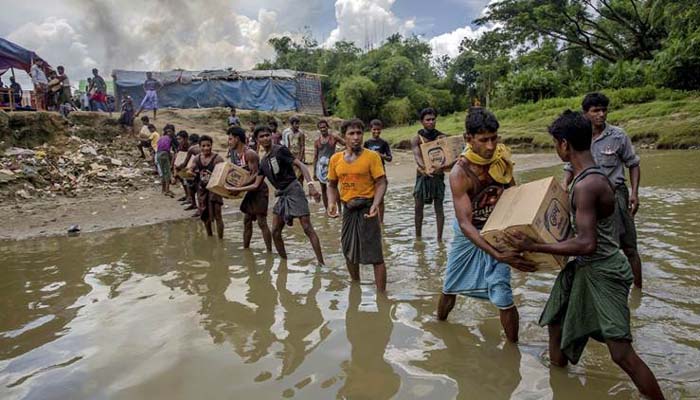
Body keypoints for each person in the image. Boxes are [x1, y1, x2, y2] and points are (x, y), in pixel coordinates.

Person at [507, 110, 664, 400]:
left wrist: (534, 246)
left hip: (603, 270)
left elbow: (586, 243)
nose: (556, 149)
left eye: (556, 143)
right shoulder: (585, 178)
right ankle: (561, 381)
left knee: (621, 353)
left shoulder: (587, 185)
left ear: (564, 144)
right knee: (555, 320)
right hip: (584, 267)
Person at [436, 107, 534, 343]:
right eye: (483, 140)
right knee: (450, 285)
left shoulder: (502, 160)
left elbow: (514, 196)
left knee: (503, 294)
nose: (490, 146)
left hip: (496, 230)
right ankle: (439, 328)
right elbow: (465, 224)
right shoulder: (460, 172)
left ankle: (514, 349)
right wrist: (498, 255)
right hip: (468, 233)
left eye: (494, 138)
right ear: (468, 139)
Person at [564, 93, 643, 288]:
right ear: (585, 114)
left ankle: (638, 291)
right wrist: (563, 188)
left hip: (615, 195)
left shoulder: (618, 135)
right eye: (595, 111)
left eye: (604, 110)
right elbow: (569, 168)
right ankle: (605, 285)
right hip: (587, 198)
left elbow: (633, 164)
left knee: (629, 246)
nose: (601, 114)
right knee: (593, 244)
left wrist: (634, 193)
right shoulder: (580, 137)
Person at [229, 126, 325, 265]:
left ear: (272, 136)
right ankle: (283, 263)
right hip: (282, 195)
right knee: (275, 232)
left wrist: (310, 185)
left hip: (294, 190)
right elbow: (256, 184)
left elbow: (301, 165)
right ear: (257, 140)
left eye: (267, 135)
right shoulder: (263, 162)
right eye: (261, 136)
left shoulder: (280, 150)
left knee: (306, 227)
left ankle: (321, 264)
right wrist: (238, 188)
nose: (265, 138)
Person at [327, 119, 387, 292]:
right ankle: (356, 285)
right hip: (348, 209)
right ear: (344, 137)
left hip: (368, 208)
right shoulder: (336, 159)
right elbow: (331, 184)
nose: (356, 137)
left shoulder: (372, 156)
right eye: (351, 134)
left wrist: (376, 204)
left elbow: (381, 182)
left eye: (359, 133)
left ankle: (382, 296)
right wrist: (332, 203)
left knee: (375, 254)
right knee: (348, 250)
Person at [225, 126, 272, 251]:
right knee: (247, 221)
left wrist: (240, 187)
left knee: (262, 222)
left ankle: (269, 252)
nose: (228, 142)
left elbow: (256, 174)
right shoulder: (235, 154)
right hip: (249, 190)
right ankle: (246, 249)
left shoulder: (249, 154)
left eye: (230, 139)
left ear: (237, 139)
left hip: (259, 190)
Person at [411, 108, 447, 241]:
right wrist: (424, 168)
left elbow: (447, 157)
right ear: (422, 122)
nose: (431, 122)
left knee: (439, 207)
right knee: (418, 207)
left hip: (438, 175)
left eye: (433, 119)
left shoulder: (442, 137)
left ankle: (439, 239)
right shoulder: (417, 139)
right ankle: (418, 237)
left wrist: (439, 168)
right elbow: (417, 156)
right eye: (428, 120)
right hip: (422, 176)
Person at [188, 135, 225, 238]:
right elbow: (190, 169)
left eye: (208, 145)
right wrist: (191, 172)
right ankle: (209, 236)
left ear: (211, 146)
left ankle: (220, 240)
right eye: (203, 146)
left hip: (215, 190)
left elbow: (224, 173)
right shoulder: (197, 158)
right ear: (200, 147)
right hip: (202, 190)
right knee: (204, 215)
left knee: (218, 215)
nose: (206, 148)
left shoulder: (217, 158)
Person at [363, 119, 392, 223]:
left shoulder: (383, 143)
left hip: (380, 172)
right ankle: (371, 218)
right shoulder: (367, 143)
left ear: (381, 130)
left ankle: (381, 222)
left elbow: (390, 158)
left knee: (380, 198)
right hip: (368, 173)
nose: (376, 132)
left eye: (378, 130)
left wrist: (381, 155)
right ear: (370, 129)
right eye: (374, 129)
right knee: (369, 197)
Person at [313, 119, 345, 211]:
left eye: (324, 127)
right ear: (319, 129)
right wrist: (314, 172)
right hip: (320, 167)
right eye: (321, 128)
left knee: (334, 187)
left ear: (327, 127)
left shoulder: (333, 137)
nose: (323, 129)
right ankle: (327, 209)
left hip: (332, 165)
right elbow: (315, 157)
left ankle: (339, 209)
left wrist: (339, 152)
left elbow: (345, 144)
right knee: (323, 189)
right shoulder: (317, 141)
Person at [282, 116, 306, 184]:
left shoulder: (301, 133)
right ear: (292, 124)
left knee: (300, 174)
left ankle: (301, 190)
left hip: (299, 155)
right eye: (296, 124)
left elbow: (302, 146)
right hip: (290, 155)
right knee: (291, 174)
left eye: (298, 124)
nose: (297, 125)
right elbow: (287, 146)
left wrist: (300, 157)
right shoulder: (287, 133)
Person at [156, 125, 175, 197]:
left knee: (163, 173)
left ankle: (163, 190)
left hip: (158, 154)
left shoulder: (161, 138)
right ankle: (167, 190)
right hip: (164, 154)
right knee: (167, 173)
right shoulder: (170, 138)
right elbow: (171, 150)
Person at [173, 130, 191, 202]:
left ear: (185, 138)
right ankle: (187, 195)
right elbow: (177, 155)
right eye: (178, 139)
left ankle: (189, 197)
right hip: (180, 166)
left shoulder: (189, 146)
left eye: (180, 139)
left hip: (187, 166)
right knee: (183, 181)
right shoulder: (180, 146)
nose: (178, 141)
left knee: (188, 182)